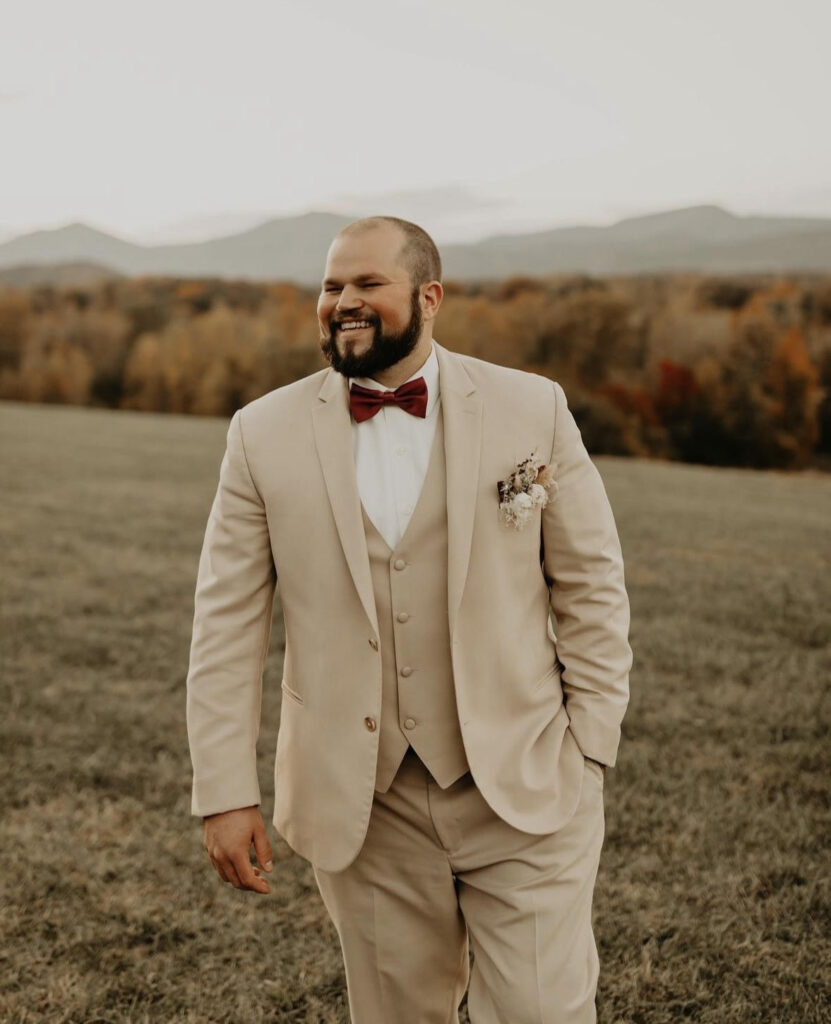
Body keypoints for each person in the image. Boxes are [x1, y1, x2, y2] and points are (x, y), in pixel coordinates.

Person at [186, 216, 632, 1023]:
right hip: (363, 804)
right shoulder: (262, 433)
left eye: (366, 284)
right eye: (330, 287)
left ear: (429, 297)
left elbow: (591, 582)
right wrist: (222, 790)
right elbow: (226, 621)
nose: (342, 302)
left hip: (525, 784)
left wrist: (590, 743)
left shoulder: (530, 408)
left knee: (543, 1012)